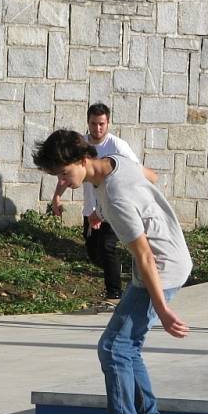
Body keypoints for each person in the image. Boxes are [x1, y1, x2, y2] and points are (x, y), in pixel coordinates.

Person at [33, 129, 192, 414]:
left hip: (160, 267)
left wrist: (162, 310)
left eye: (64, 173)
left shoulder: (116, 196)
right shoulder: (117, 163)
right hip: (167, 259)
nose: (63, 181)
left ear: (83, 160)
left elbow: (146, 256)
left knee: (113, 347)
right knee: (126, 347)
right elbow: (150, 175)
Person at [51, 103, 139, 303]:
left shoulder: (117, 146)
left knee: (108, 246)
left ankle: (114, 294)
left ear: (108, 123)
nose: (97, 129)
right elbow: (66, 172)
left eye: (101, 124)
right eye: (93, 124)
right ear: (88, 122)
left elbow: (136, 171)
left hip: (113, 208)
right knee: (94, 253)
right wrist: (57, 196)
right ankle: (113, 268)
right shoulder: (80, 145)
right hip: (91, 209)